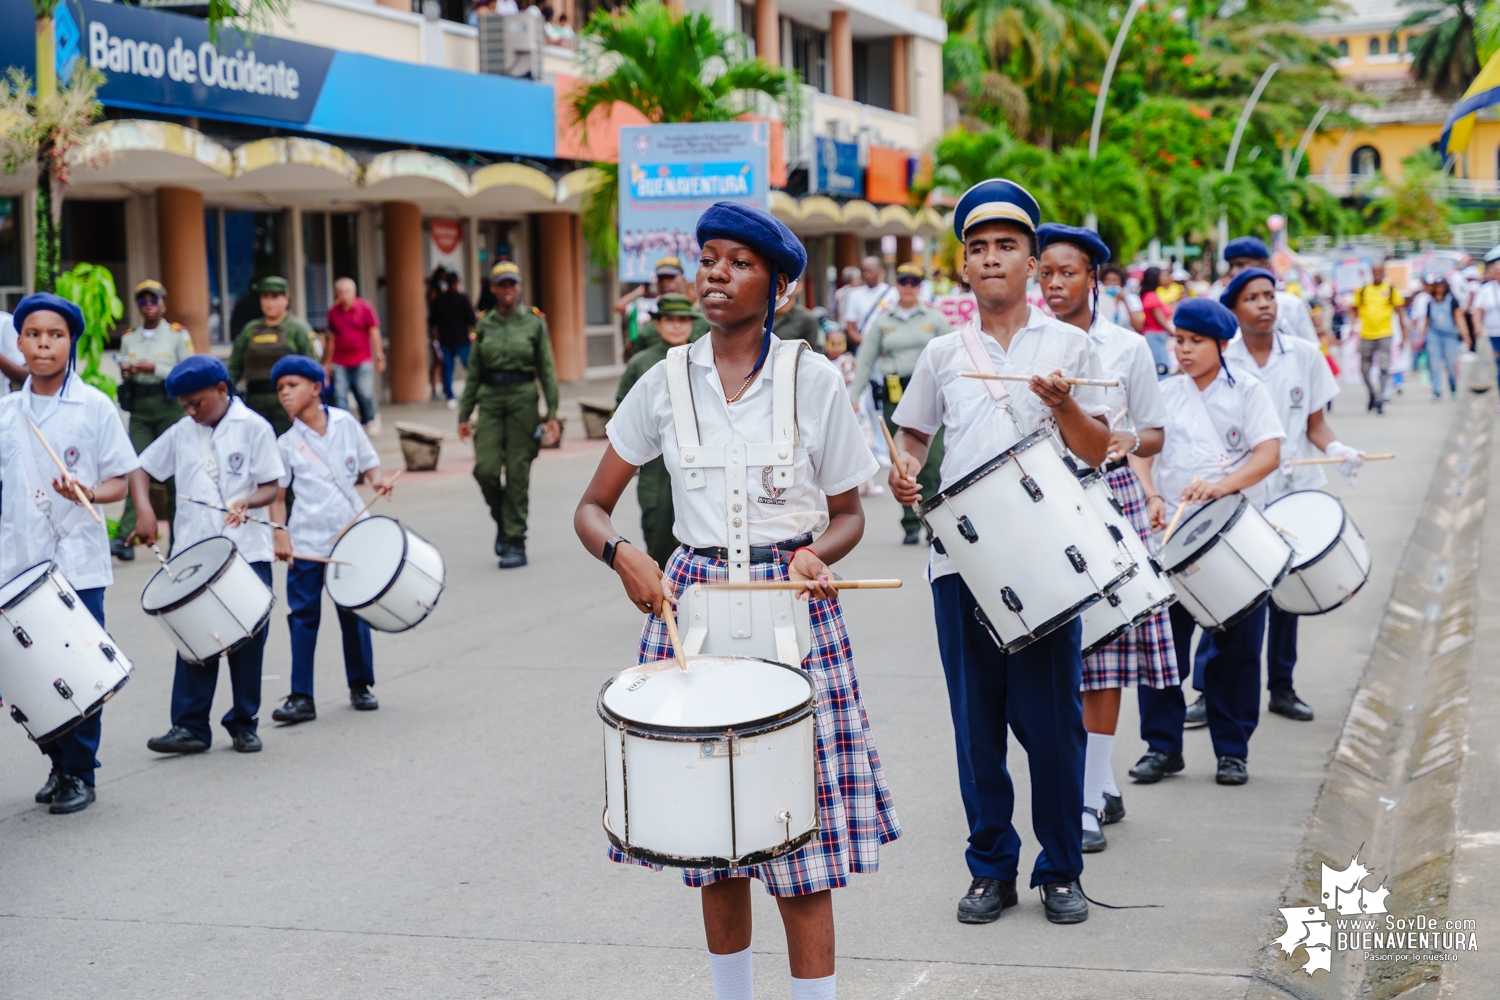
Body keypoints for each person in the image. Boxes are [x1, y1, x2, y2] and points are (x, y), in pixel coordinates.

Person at [576, 200, 897, 1000]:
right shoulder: (661, 381)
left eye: (739, 262)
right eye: (709, 257)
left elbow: (850, 513)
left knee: (799, 843)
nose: (716, 273)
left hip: (796, 617)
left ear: (779, 288)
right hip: (694, 611)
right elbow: (590, 508)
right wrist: (625, 557)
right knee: (710, 834)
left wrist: (813, 554)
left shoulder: (815, 379)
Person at [888, 180, 1112, 925]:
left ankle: (1060, 870)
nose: (992, 259)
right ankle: (991, 867)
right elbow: (914, 433)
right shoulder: (943, 353)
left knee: (1051, 725)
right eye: (978, 248)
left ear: (1033, 262)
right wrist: (904, 469)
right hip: (962, 562)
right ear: (963, 266)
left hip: (1048, 560)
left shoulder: (1072, 345)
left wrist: (1063, 404)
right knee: (976, 725)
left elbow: (1095, 449)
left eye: (1007, 247)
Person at [1034, 224, 1171, 854]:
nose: (1056, 284)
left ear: (1094, 278)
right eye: (1048, 273)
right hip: (1042, 512)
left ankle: (1086, 800)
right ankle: (1096, 778)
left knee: (1104, 658)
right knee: (1055, 660)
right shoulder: (1025, 344)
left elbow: (1154, 433)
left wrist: (1124, 443)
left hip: (1110, 504)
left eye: (1069, 273)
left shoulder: (1129, 348)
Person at [1, 293, 146, 814]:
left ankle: (79, 771)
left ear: (71, 344)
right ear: (19, 342)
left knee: (80, 666)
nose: (44, 343)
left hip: (77, 562)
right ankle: (56, 761)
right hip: (17, 560)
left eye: (56, 335)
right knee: (29, 669)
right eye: (34, 334)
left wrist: (83, 489)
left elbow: (118, 484)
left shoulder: (95, 406)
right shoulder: (6, 411)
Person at [1132, 298, 1284, 787]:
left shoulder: (1249, 391)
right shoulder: (1164, 391)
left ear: (1222, 344)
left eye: (1196, 341)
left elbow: (1269, 453)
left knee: (1236, 650)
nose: (1185, 350)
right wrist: (1151, 495)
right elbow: (1142, 453)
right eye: (1179, 340)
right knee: (1162, 648)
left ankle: (1232, 750)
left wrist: (1223, 486)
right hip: (1171, 535)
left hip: (1233, 534)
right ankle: (1162, 746)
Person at [1217, 267, 1363, 726]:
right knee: (1231, 599)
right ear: (1234, 311)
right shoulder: (1222, 358)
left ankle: (1282, 686)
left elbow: (1315, 425)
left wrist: (1336, 449)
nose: (1265, 304)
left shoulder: (1304, 354)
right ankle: (1210, 689)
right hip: (1240, 493)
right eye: (1253, 298)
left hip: (1295, 491)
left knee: (1288, 595)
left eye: (1269, 296)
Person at [138, 355, 285, 756]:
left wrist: (247, 501)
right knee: (194, 636)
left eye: (196, 403)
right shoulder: (182, 432)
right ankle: (190, 726)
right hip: (193, 551)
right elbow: (141, 470)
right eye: (183, 404)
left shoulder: (255, 427)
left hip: (246, 552)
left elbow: (271, 485)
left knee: (248, 637)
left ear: (221, 390)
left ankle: (243, 722)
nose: (189, 411)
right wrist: (146, 510)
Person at [267, 355, 391, 724]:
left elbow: (369, 462)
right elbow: (277, 495)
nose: (284, 393)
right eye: (280, 389)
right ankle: (301, 696)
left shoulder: (346, 423)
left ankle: (361, 685)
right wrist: (280, 533)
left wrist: (378, 479)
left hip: (352, 534)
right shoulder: (286, 442)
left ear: (316, 388)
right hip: (307, 541)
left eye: (292, 386)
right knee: (302, 617)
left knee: (354, 613)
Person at [458, 261, 560, 569]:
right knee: (485, 470)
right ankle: (504, 520)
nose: (508, 289)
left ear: (519, 286)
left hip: (522, 401)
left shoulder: (533, 323)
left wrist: (551, 412)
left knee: (517, 473)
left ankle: (515, 542)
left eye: (513, 283)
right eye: (502, 284)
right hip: (489, 401)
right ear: (493, 288)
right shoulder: (484, 324)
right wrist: (464, 413)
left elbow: (547, 369)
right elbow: (473, 372)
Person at [850, 261, 951, 544]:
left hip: (933, 397)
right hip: (897, 396)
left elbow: (954, 356)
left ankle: (933, 521)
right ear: (897, 285)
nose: (908, 287)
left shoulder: (935, 317)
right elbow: (866, 361)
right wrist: (853, 398)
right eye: (904, 281)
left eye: (914, 282)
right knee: (903, 463)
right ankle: (910, 522)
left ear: (920, 286)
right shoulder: (883, 321)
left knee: (932, 461)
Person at [115, 279, 195, 561]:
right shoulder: (129, 337)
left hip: (168, 407)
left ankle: (179, 541)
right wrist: (128, 372)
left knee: (175, 477)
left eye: (154, 300)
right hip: (141, 408)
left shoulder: (176, 335)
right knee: (135, 469)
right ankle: (125, 537)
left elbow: (187, 370)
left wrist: (155, 368)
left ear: (164, 304)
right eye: (142, 301)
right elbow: (123, 367)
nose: (148, 305)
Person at [613, 293, 695, 567]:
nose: (676, 326)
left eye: (683, 320)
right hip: (654, 463)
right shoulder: (641, 363)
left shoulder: (705, 359)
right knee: (658, 533)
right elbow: (622, 413)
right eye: (669, 320)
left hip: (696, 458)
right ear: (657, 324)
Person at [228, 276, 317, 437]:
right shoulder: (250, 329)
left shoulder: (298, 328)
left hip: (288, 403)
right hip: (255, 401)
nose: (269, 302)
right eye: (265, 297)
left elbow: (313, 368)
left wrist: (307, 405)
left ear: (286, 299)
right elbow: (235, 367)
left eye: (275, 297)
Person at [1216, 237, 1319, 344]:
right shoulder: (1223, 306)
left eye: (1241, 265)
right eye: (1231, 266)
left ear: (1262, 263)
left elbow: (1312, 351)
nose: (1233, 272)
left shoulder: (1290, 305)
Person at [323, 277, 385, 433]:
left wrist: (379, 355)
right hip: (340, 361)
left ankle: (371, 418)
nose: (344, 295)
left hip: (362, 359)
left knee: (365, 392)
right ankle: (346, 426)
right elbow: (331, 338)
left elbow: (374, 331)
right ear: (336, 293)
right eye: (341, 292)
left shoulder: (365, 308)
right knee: (339, 395)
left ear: (354, 291)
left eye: (348, 291)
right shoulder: (333, 312)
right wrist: (327, 363)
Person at [1352, 261, 1406, 414]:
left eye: (1379, 271)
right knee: (1364, 369)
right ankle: (1372, 393)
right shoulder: (1363, 290)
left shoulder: (1391, 289)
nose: (1377, 274)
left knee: (1384, 367)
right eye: (1374, 271)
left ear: (1383, 272)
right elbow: (1354, 310)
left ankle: (1381, 398)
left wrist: (1404, 334)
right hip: (1366, 334)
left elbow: (1400, 312)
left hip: (1384, 334)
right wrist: (1352, 329)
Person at [429, 271, 478, 409]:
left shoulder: (440, 299)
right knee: (471, 367)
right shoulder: (462, 298)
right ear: (457, 283)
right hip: (462, 338)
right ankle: (473, 393)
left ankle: (450, 396)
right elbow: (471, 319)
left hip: (445, 339)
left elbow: (432, 321)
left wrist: (435, 338)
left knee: (448, 369)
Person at [1422, 275, 1465, 398]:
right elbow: (1427, 320)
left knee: (1451, 364)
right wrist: (1422, 337)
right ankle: (1437, 389)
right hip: (1434, 335)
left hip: (1450, 336)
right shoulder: (1430, 302)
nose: (1439, 289)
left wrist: (1464, 333)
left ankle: (1452, 385)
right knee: (1434, 363)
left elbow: (1458, 317)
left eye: (1441, 286)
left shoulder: (1452, 300)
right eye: (1437, 286)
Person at [841, 255, 896, 347]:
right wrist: (867, 346)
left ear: (881, 271)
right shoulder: (855, 295)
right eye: (864, 271)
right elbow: (850, 328)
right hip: (865, 347)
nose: (866, 275)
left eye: (870, 271)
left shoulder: (893, 293)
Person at [1467, 246, 1500, 393]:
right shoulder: (1486, 289)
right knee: (1499, 365)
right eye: (1496, 271)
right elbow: (1477, 310)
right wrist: (1476, 326)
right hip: (1494, 334)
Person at [1139, 267, 1175, 376]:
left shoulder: (1153, 294)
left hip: (1158, 337)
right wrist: (1175, 333)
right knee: (1162, 370)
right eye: (1163, 275)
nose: (1166, 278)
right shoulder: (1151, 296)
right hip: (1155, 338)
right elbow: (1161, 321)